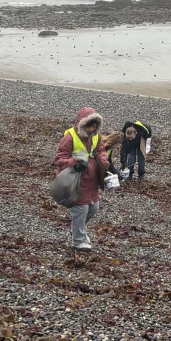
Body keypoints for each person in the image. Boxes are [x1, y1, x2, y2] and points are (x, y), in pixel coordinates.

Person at [54, 107, 112, 252]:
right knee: (80, 209)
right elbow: (60, 158)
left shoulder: (96, 137)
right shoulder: (70, 137)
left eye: (95, 126)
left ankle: (78, 229)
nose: (92, 129)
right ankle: (78, 240)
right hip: (75, 180)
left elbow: (101, 151)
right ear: (82, 124)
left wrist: (104, 162)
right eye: (90, 126)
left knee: (93, 207)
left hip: (92, 180)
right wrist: (73, 163)